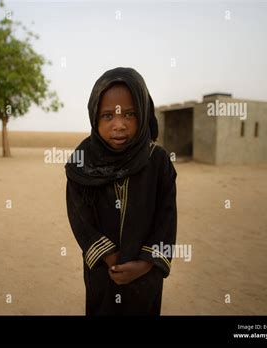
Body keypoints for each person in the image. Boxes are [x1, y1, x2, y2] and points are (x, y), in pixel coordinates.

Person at [65, 67, 177, 315]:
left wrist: (146, 264)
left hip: (146, 276)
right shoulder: (82, 162)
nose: (119, 125)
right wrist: (111, 258)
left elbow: (166, 218)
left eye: (129, 114)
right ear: (94, 116)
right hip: (102, 273)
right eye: (107, 116)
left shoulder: (157, 161)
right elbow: (79, 216)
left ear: (144, 113)